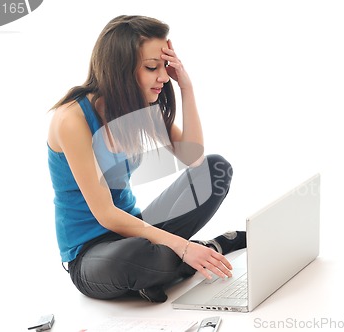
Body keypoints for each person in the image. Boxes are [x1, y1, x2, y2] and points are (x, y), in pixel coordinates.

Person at [47, 15, 246, 303]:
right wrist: (183, 247)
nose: (163, 77)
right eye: (152, 67)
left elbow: (194, 156)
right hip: (91, 255)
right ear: (120, 70)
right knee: (135, 256)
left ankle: (161, 268)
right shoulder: (71, 120)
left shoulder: (135, 106)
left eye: (164, 66)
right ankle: (199, 252)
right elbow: (105, 215)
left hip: (135, 228)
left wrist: (186, 88)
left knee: (215, 170)